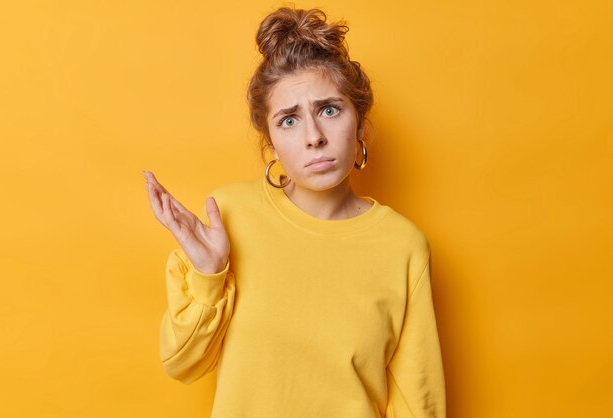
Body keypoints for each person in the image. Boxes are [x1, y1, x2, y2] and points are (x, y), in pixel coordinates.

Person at [143, 6, 445, 418]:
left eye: (330, 110)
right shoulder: (228, 216)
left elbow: (418, 403)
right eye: (289, 120)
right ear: (269, 139)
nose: (313, 137)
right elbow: (181, 363)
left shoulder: (403, 247)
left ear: (360, 122)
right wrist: (209, 276)